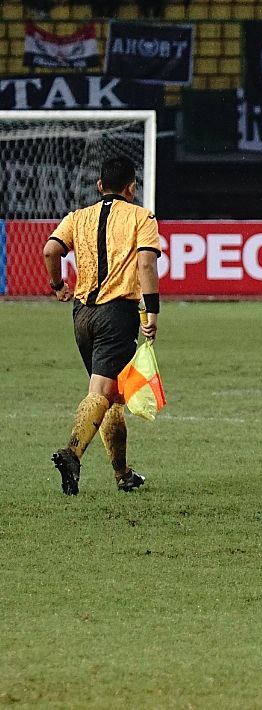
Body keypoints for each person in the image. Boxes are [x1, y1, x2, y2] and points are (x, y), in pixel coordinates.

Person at [43, 156, 159, 495]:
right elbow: (147, 264)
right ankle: (72, 452)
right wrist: (152, 311)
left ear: (99, 186)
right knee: (102, 393)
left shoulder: (78, 217)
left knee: (113, 395)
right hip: (117, 314)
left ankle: (123, 473)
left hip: (82, 315)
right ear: (131, 188)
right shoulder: (141, 217)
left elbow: (51, 251)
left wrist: (57, 286)